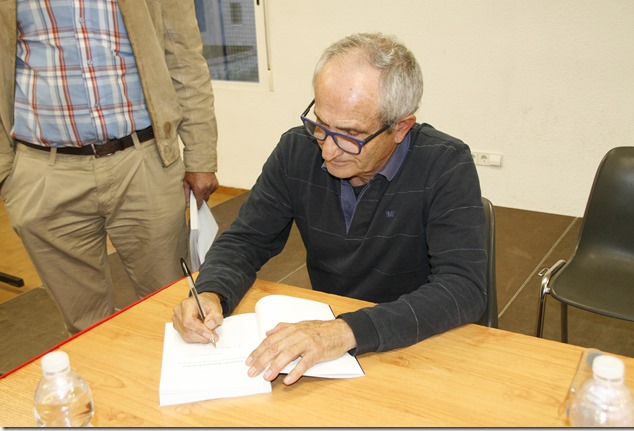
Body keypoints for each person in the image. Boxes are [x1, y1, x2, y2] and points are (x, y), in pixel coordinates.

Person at [173, 32, 486, 385]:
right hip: (329, 338)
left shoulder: (445, 164)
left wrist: (346, 331)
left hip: (415, 341)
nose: (328, 150)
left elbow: (463, 288)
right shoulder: (297, 150)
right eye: (321, 125)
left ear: (400, 127)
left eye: (350, 135)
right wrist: (212, 292)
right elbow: (246, 240)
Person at [0, 1, 219, 333]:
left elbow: (185, 58)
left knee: (176, 311)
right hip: (43, 171)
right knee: (85, 329)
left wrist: (201, 156)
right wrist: (7, 176)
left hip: (144, 161)